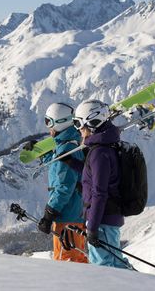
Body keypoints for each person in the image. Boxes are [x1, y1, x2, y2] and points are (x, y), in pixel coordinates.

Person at [26, 102, 88, 263]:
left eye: (49, 122)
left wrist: (49, 213)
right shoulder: (69, 145)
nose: (48, 128)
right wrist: (40, 153)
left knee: (67, 262)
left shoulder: (66, 149)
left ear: (59, 122)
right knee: (77, 260)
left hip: (67, 218)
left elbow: (64, 187)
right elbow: (58, 164)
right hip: (74, 215)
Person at [71, 99, 129, 268]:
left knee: (105, 267)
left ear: (90, 123)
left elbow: (99, 192)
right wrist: (70, 162)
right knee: (113, 264)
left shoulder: (99, 152)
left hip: (102, 220)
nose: (79, 130)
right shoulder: (104, 148)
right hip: (107, 217)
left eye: (78, 124)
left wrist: (93, 227)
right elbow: (94, 175)